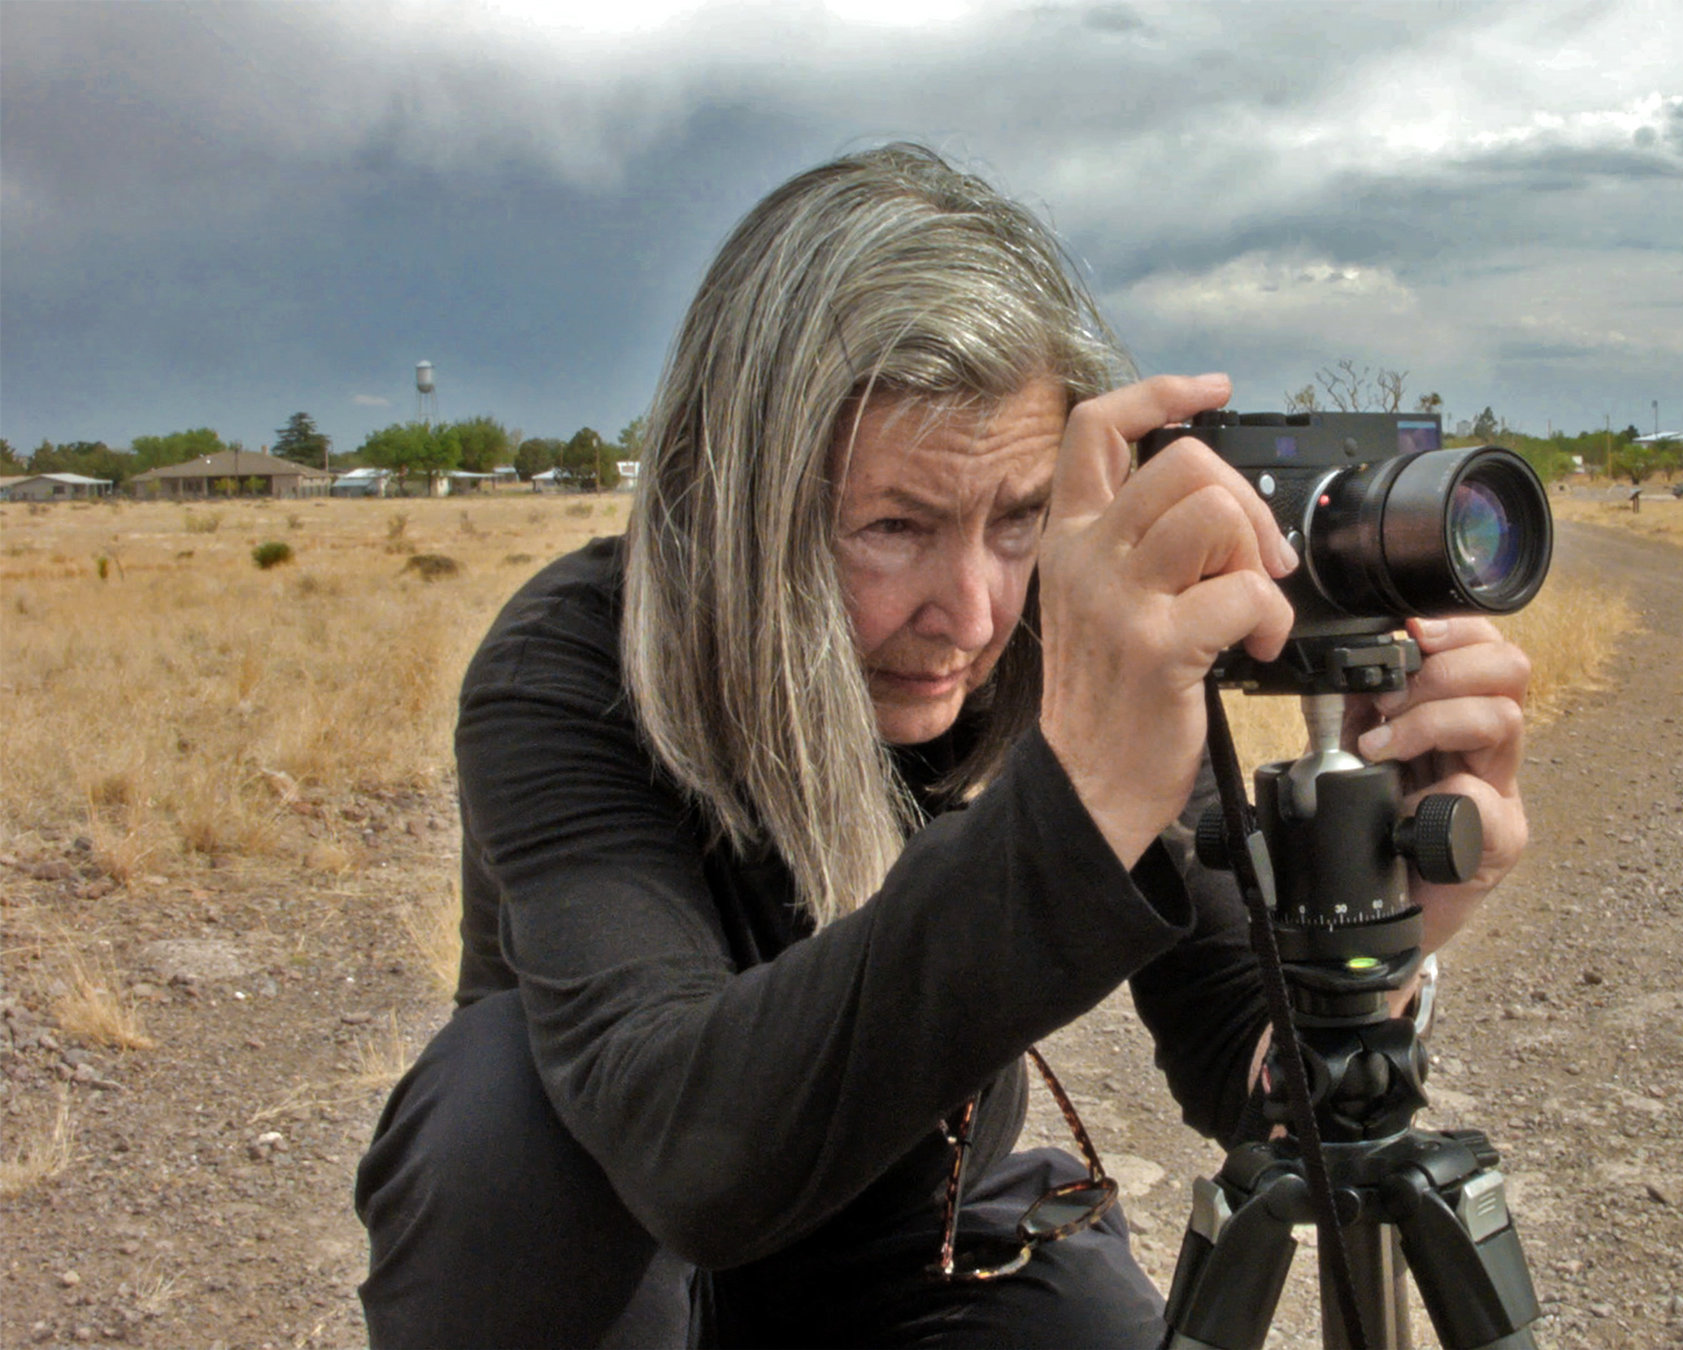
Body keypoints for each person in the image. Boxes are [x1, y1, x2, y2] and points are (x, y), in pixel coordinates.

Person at [352, 143, 1531, 1349]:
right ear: (735, 500)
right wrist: (1075, 805)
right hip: (604, 1258)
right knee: (495, 1100)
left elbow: (1245, 1051)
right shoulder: (575, 663)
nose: (969, 615)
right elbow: (687, 1153)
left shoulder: (1045, 644)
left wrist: (1395, 910)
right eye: (892, 526)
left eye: (1020, 519)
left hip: (924, 1241)